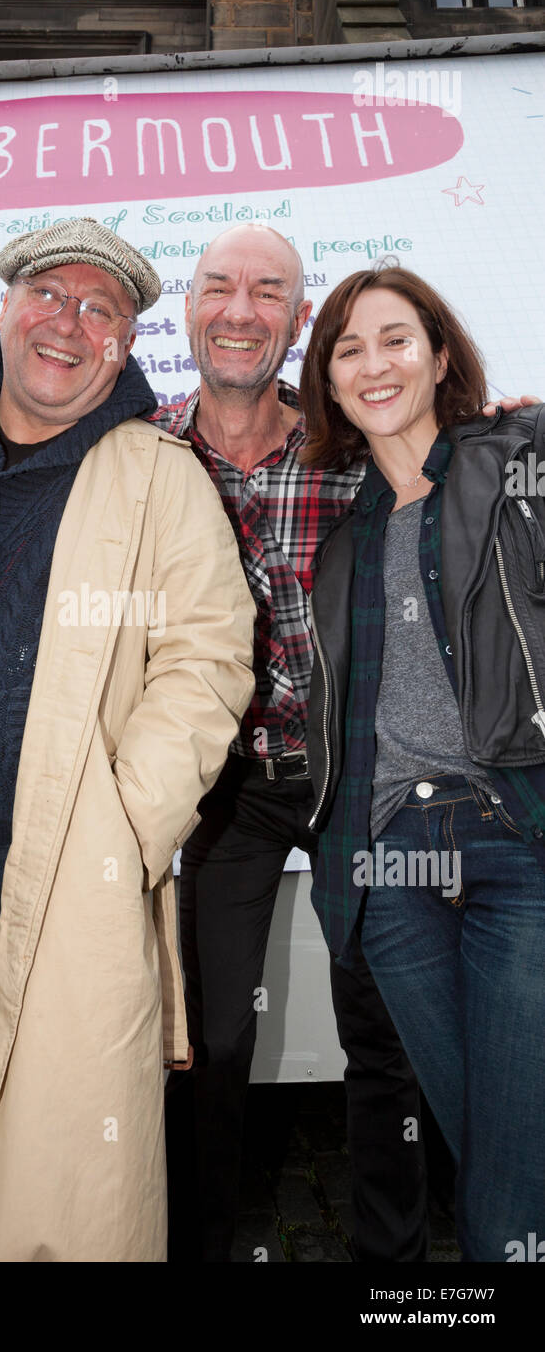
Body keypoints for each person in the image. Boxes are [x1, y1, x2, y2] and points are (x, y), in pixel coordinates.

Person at [0, 216, 256, 1262]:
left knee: (50, 1169)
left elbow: (208, 661)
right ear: (3, 311)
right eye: (47, 295)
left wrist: (122, 830)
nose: (67, 321)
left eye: (98, 309)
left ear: (123, 344)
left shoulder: (158, 473)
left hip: (49, 864)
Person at [147, 225, 430, 1264]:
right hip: (224, 783)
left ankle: (391, 1267)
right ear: (186, 307)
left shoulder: (351, 441)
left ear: (295, 318)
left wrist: (498, 425)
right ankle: (198, 1244)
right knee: (209, 1038)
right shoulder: (143, 450)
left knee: (382, 1026)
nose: (238, 306)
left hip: (353, 775)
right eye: (217, 285)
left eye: (266, 290)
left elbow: (450, 455)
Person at [301, 263, 545, 1261]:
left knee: (509, 1164)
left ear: (437, 354)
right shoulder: (342, 542)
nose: (372, 363)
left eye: (394, 338)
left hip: (510, 842)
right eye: (346, 348)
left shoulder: (515, 463)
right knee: (481, 1142)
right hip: (390, 866)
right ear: (326, 379)